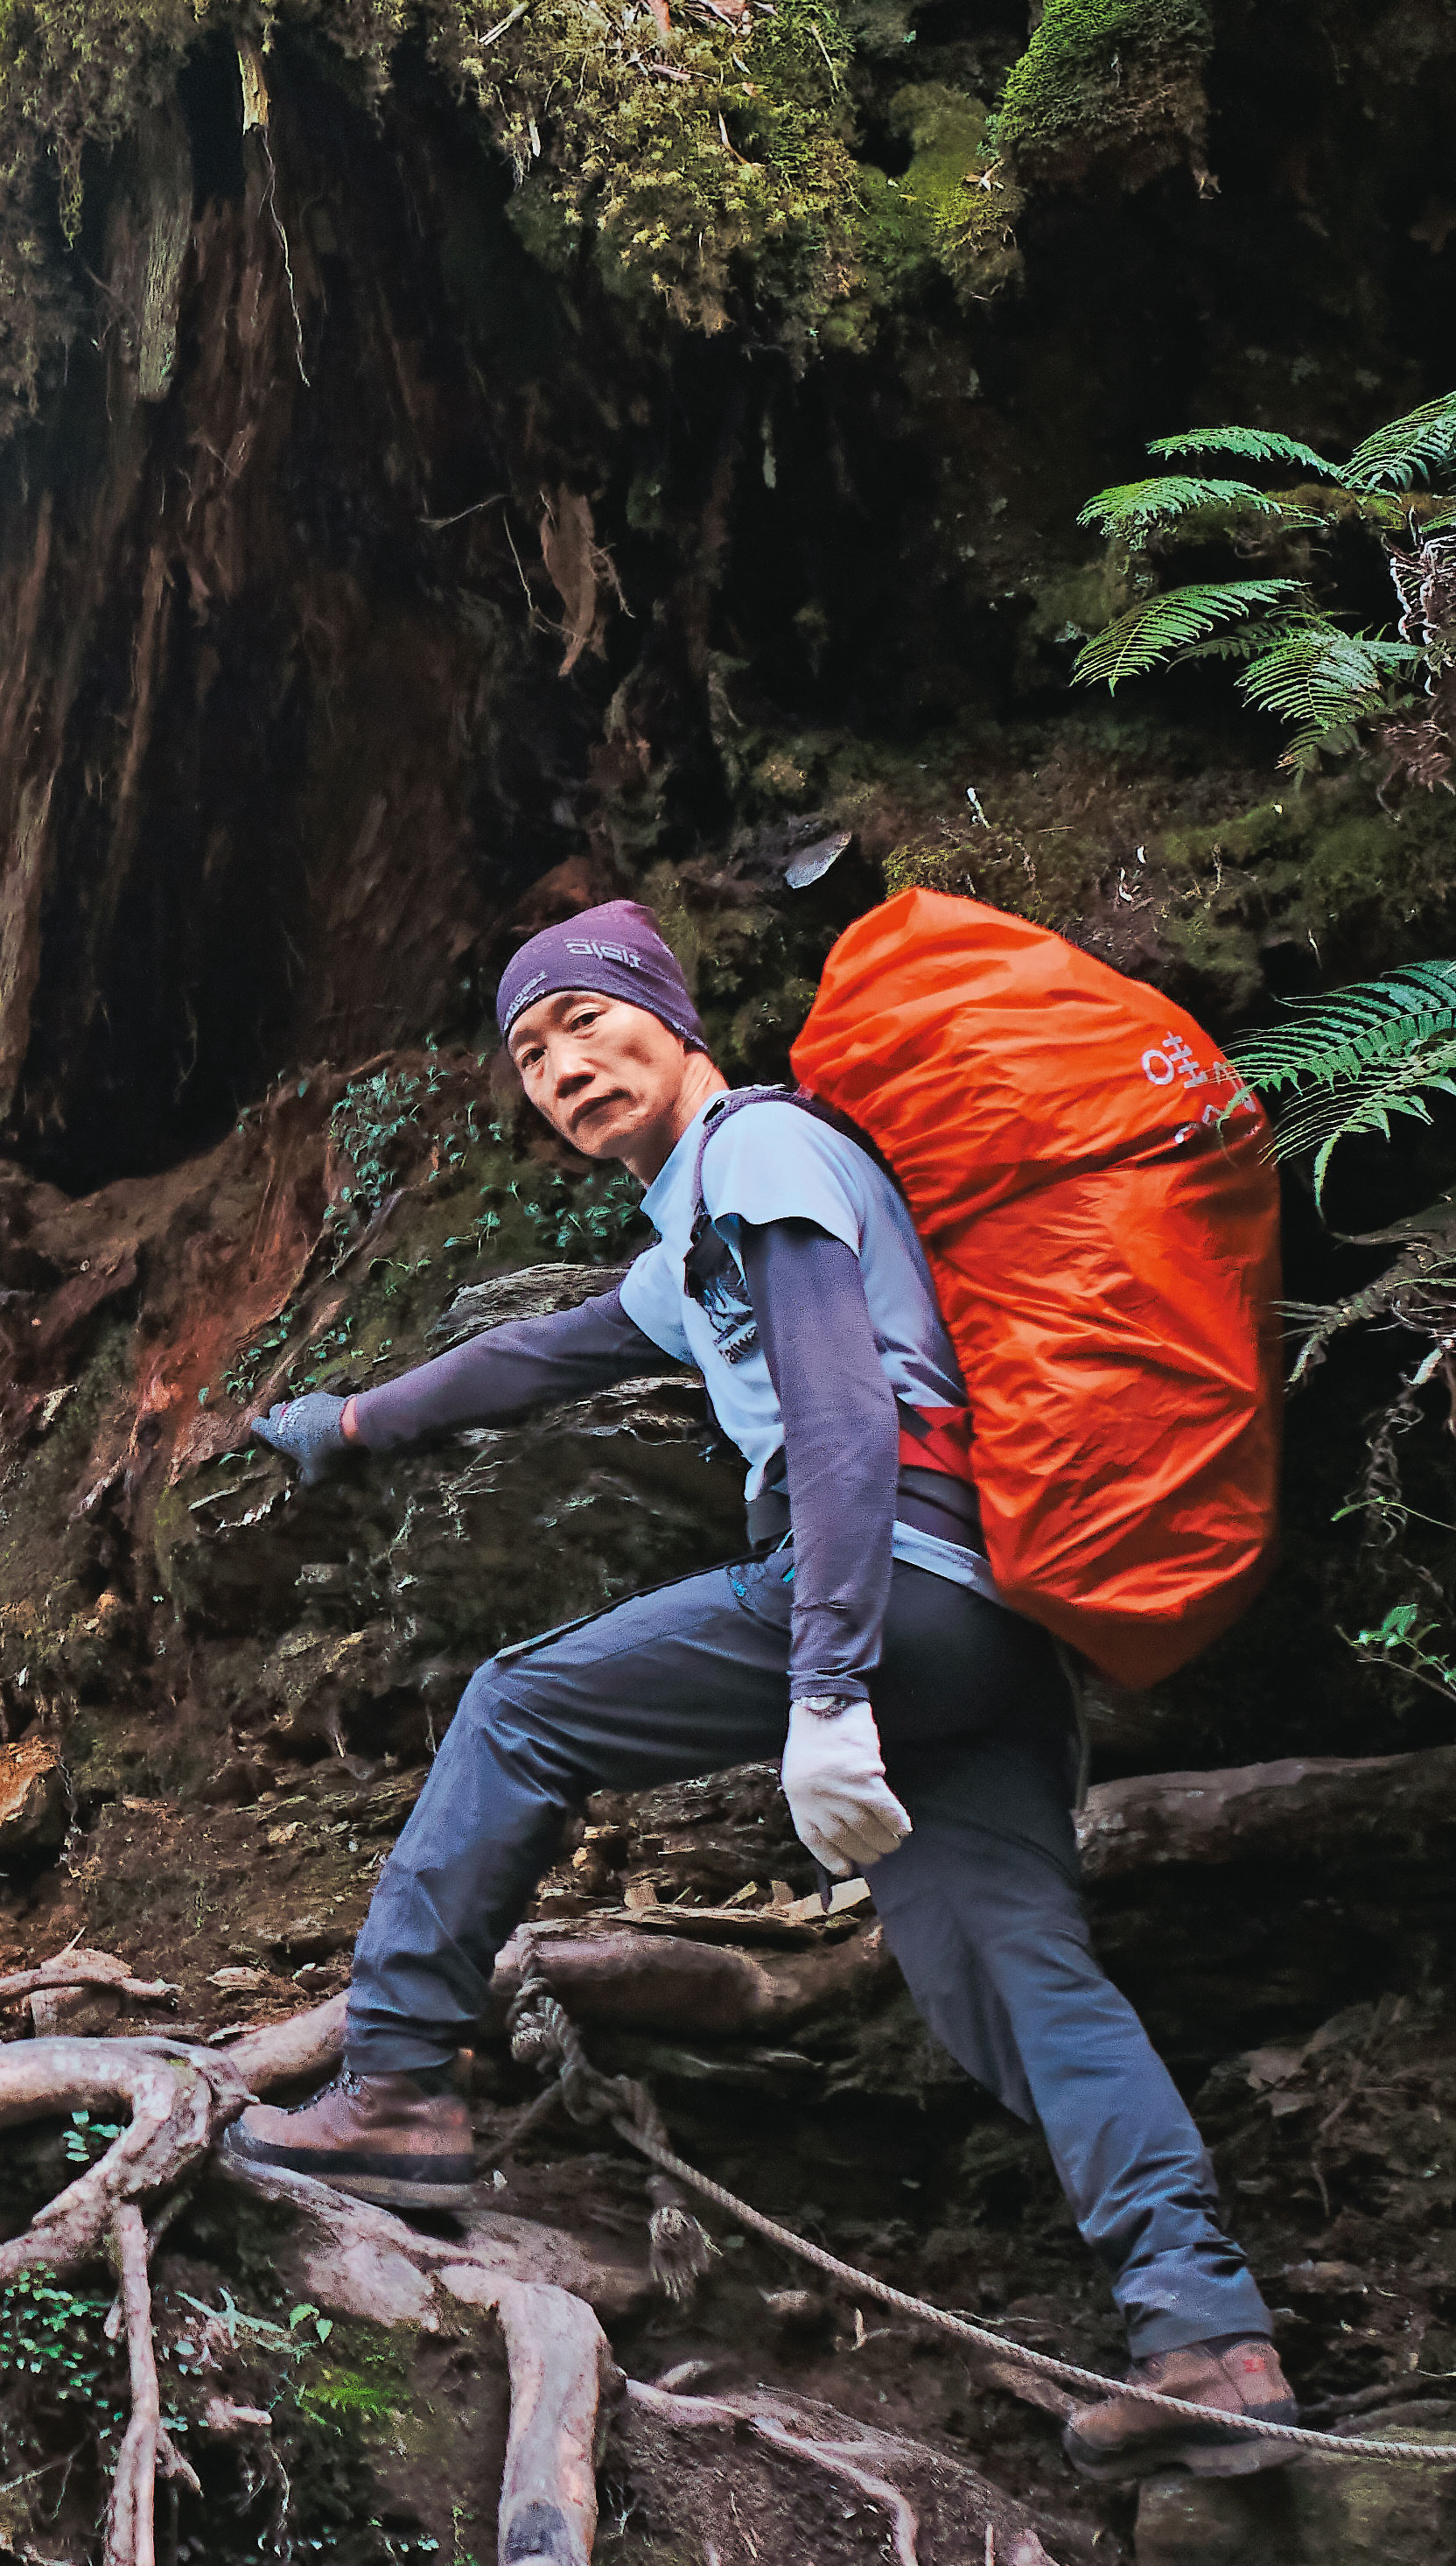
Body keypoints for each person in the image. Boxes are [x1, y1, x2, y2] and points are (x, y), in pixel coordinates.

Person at [233, 900, 1296, 2478]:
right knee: (1015, 1970)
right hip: (991, 1638)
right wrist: (354, 1423)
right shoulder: (693, 1230)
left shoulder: (764, 1156)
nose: (564, 1067)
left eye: (589, 1023)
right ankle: (1209, 2339)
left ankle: (395, 2081)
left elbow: (842, 1416)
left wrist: (829, 1680)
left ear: (670, 1015)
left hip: (888, 1582)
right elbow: (548, 1353)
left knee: (518, 1710)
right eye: (532, 1052)